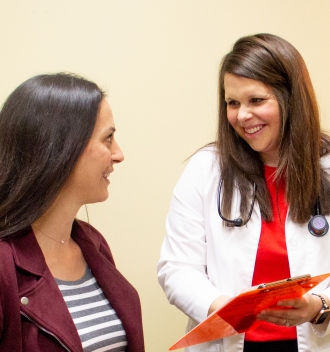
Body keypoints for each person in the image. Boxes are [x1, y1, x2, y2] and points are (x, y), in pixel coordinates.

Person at [157, 33, 330, 352]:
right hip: (231, 343)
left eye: (256, 100)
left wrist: (318, 307)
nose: (241, 116)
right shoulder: (206, 169)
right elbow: (176, 268)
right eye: (232, 103)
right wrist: (222, 308)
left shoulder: (327, 167)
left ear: (290, 98)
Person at [0, 73, 145, 351]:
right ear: (62, 148)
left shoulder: (94, 243)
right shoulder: (5, 264)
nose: (118, 154)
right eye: (108, 139)